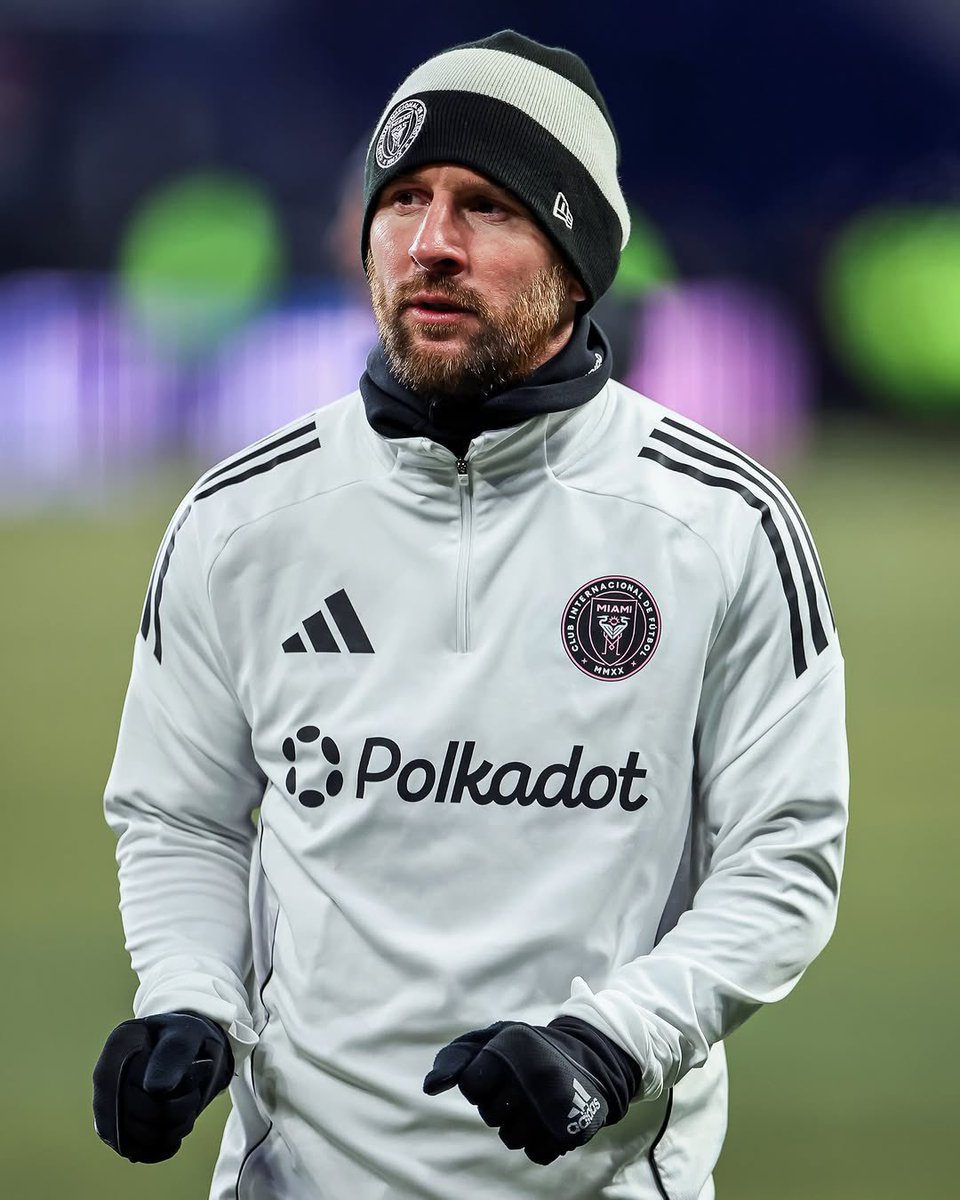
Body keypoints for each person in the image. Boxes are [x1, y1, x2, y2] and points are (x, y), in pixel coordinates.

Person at [93, 30, 848, 1200]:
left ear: (577, 259)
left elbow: (784, 859)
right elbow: (180, 815)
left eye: (486, 206)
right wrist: (187, 998)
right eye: (402, 201)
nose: (430, 244)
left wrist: (612, 1044)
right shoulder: (241, 520)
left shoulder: (721, 524)